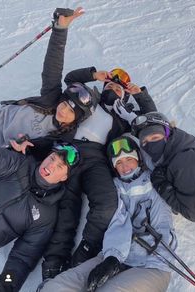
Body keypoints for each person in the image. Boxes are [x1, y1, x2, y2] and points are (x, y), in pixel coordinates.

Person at [36, 67, 158, 280]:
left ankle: (85, 252)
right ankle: (53, 264)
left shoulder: (124, 115)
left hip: (96, 159)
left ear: (124, 96)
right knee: (66, 208)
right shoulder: (89, 99)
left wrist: (140, 95)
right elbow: (70, 80)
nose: (112, 88)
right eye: (109, 85)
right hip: (68, 151)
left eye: (118, 88)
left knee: (107, 202)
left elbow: (150, 119)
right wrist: (93, 75)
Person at [37, 135, 177, 292]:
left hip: (153, 264)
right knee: (55, 287)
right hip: (113, 256)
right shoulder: (116, 188)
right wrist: (112, 258)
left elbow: (163, 227)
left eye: (128, 159)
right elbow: (118, 224)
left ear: (138, 158)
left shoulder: (153, 183)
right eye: (119, 163)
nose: (125, 167)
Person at [0, 7, 98, 147]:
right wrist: (61, 29)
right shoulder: (51, 100)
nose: (63, 110)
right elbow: (53, 66)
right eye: (65, 104)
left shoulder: (59, 138)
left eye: (71, 111)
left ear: (77, 118)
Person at [0, 142, 80, 292]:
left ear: (64, 177)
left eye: (59, 166)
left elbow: (22, 258)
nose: (51, 165)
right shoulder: (20, 165)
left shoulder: (46, 216)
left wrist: (6, 285)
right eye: (52, 158)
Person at [131, 111, 195, 229]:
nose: (150, 145)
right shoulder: (180, 146)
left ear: (167, 135)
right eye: (145, 142)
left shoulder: (185, 161)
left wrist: (161, 185)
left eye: (155, 137)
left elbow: (194, 213)